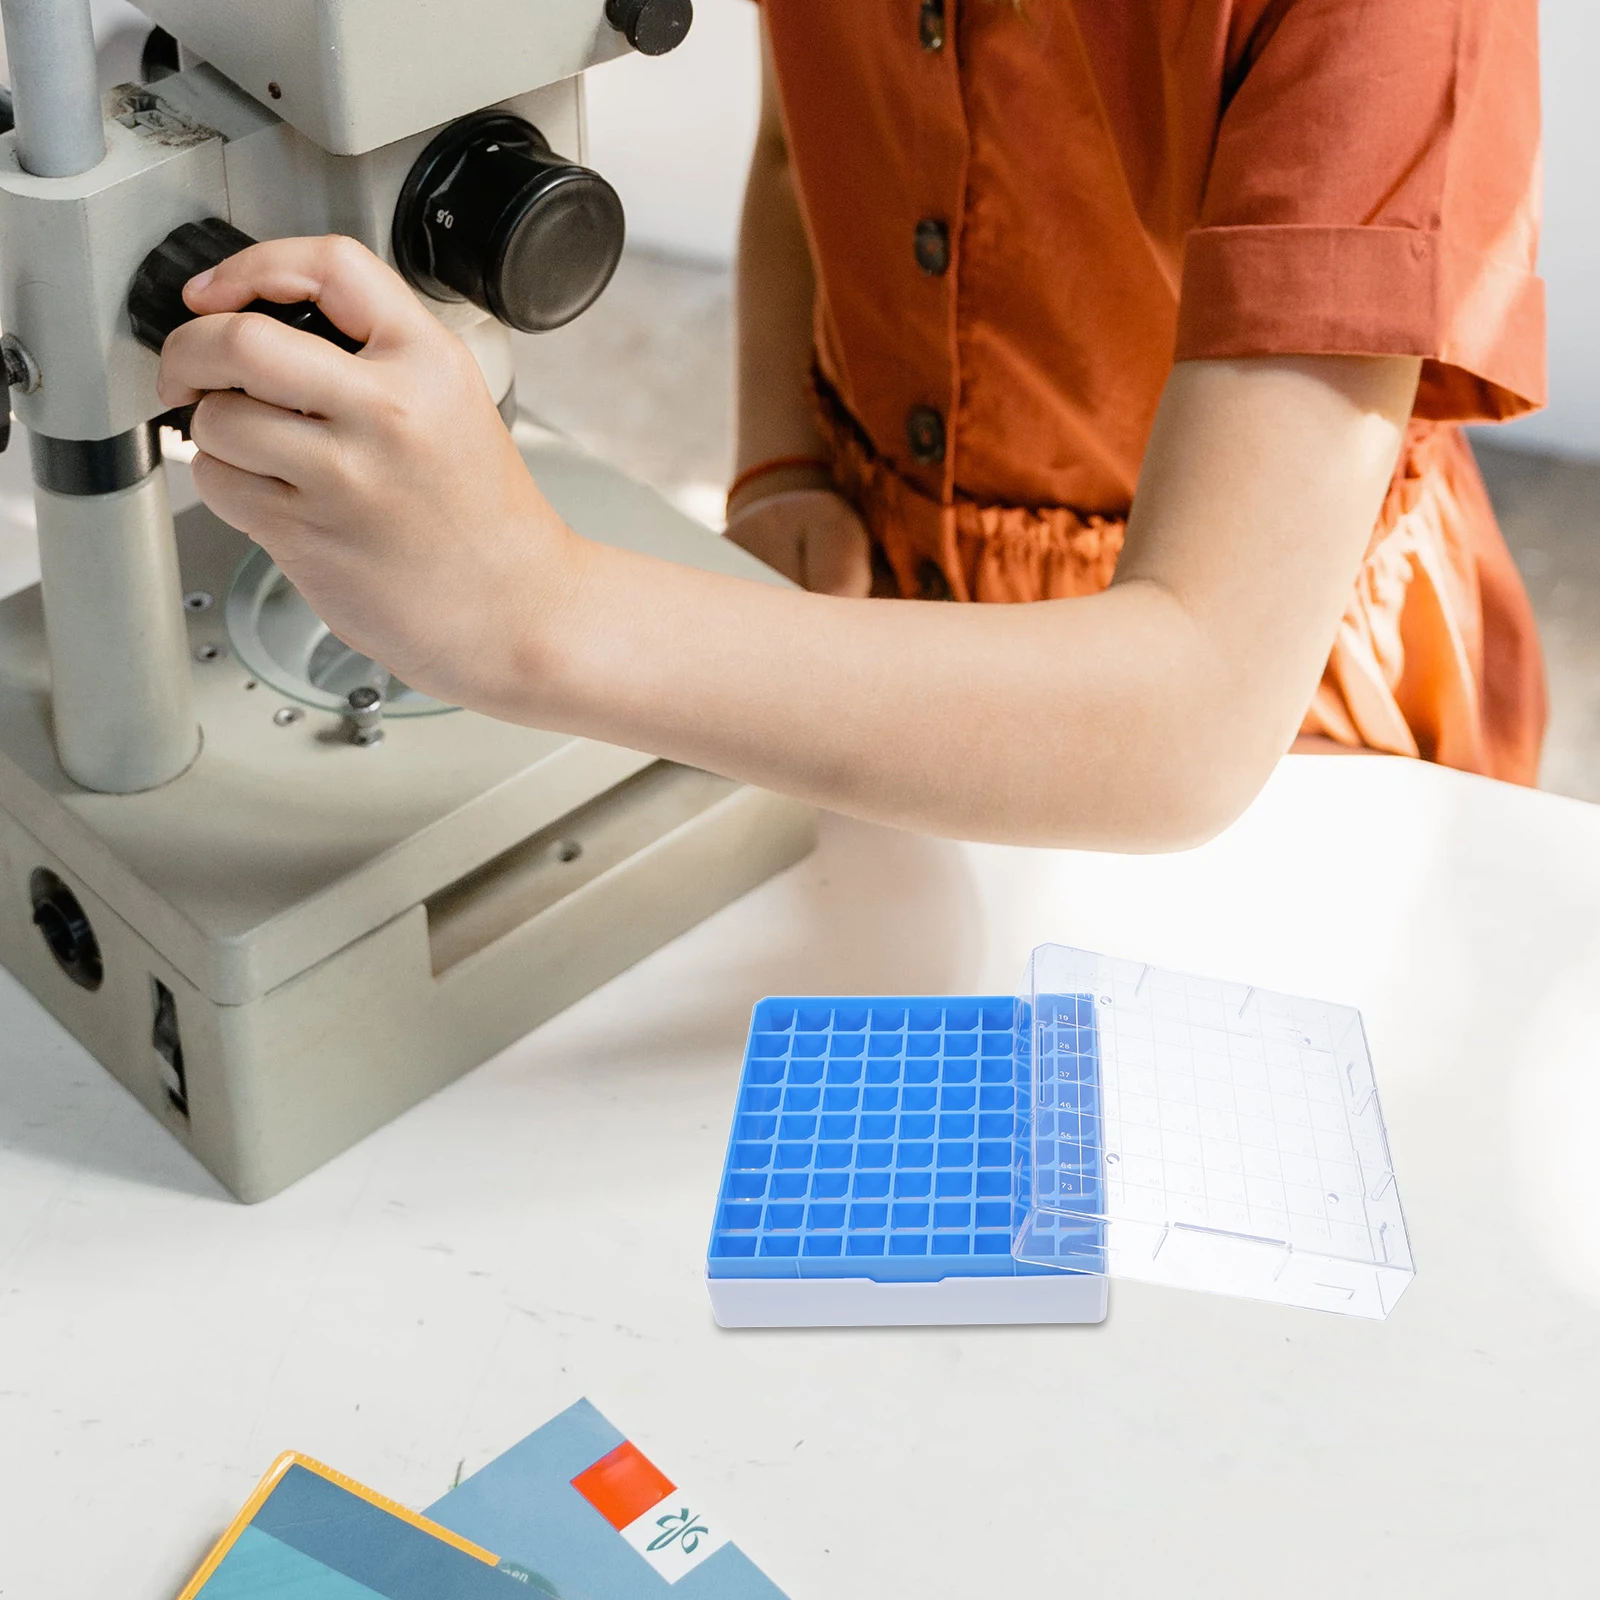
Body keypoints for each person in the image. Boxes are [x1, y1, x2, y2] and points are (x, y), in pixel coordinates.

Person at [157, 0, 1547, 851]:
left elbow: (1193, 713)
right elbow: (798, 149)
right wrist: (784, 463)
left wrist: (529, 608)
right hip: (876, 569)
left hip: (1256, 690)